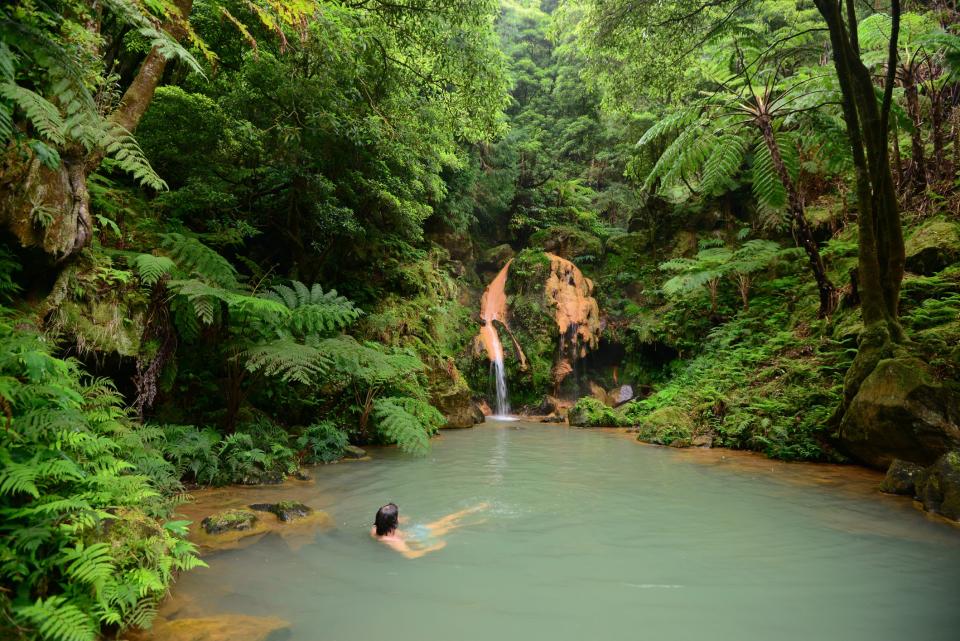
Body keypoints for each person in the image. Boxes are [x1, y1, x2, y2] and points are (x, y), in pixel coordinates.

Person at [371, 502, 489, 559]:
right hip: (417, 537)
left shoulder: (375, 529)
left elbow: (385, 521)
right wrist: (432, 548)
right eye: (397, 516)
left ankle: (471, 510)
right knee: (449, 526)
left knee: (443, 522)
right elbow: (411, 555)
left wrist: (399, 520)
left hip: (412, 533)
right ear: (393, 522)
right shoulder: (395, 542)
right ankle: (477, 519)